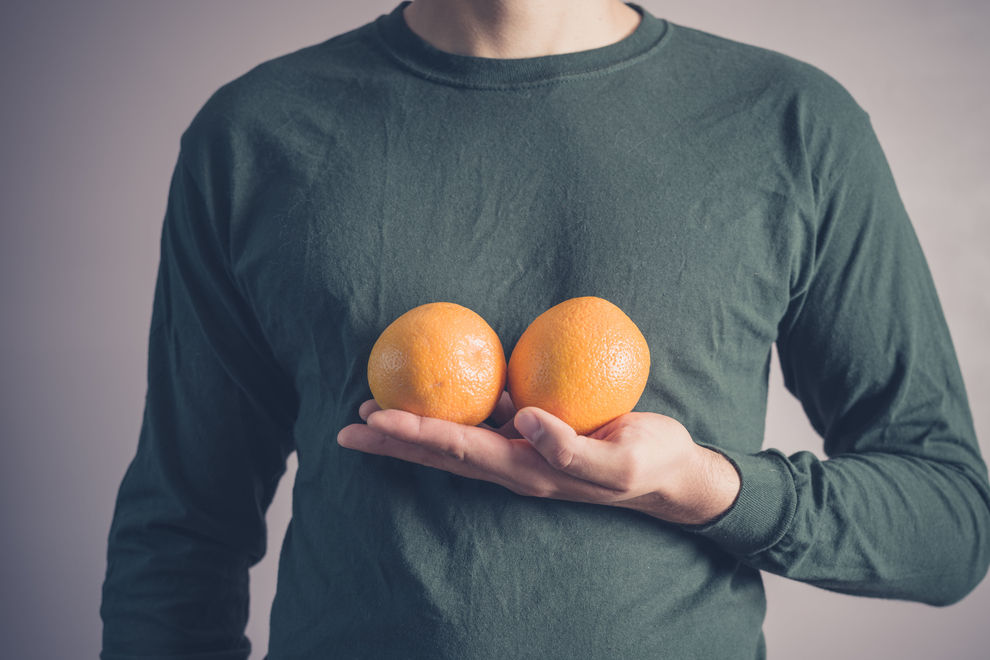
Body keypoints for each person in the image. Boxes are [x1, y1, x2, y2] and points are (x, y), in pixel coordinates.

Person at [101, 1, 990, 658]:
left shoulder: (792, 122)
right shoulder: (255, 133)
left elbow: (951, 523)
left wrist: (703, 487)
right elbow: (183, 531)